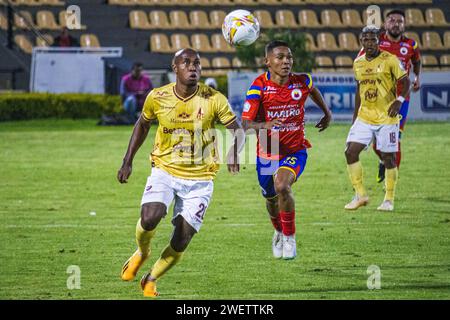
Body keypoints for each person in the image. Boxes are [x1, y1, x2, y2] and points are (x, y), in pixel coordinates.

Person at [117, 48, 244, 297]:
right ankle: (142, 252)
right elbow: (142, 124)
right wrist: (127, 161)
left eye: (197, 63)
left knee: (182, 238)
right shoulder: (158, 96)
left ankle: (151, 278)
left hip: (201, 178)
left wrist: (234, 153)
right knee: (151, 216)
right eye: (186, 62)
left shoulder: (214, 98)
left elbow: (237, 129)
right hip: (165, 169)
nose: (193, 67)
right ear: (175, 68)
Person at [241, 40, 332, 260]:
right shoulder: (258, 87)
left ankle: (290, 237)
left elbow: (313, 89)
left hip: (295, 150)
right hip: (268, 149)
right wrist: (265, 125)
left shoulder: (302, 81)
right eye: (280, 57)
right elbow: (245, 124)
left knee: (282, 186)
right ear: (267, 61)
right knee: (271, 197)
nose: (286, 61)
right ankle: (279, 231)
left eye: (289, 57)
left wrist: (326, 112)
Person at [345, 26, 410, 212]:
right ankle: (360, 195)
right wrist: (355, 117)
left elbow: (405, 82)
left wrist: (399, 100)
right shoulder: (358, 62)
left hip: (387, 118)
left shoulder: (390, 60)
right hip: (365, 117)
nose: (370, 43)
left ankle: (388, 199)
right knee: (350, 152)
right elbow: (359, 91)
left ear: (379, 41)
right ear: (361, 42)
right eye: (366, 40)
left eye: (373, 40)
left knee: (388, 157)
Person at [358, 9, 421, 183]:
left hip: (401, 98)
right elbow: (360, 62)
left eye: (400, 21)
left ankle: (391, 181)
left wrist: (417, 77)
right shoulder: (375, 42)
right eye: (392, 21)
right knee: (377, 144)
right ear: (385, 24)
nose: (396, 24)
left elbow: (416, 61)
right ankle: (383, 160)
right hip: (377, 98)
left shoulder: (411, 45)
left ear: (404, 24)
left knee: (395, 140)